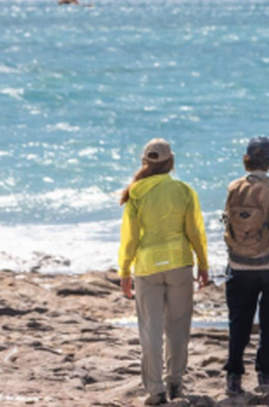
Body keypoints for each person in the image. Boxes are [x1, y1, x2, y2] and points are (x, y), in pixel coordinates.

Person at [118, 138, 210, 405]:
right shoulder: (183, 190)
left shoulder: (135, 193)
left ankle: (156, 391)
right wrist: (203, 264)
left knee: (150, 330)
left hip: (147, 268)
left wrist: (124, 270)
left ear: (145, 163)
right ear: (171, 161)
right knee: (178, 328)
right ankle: (176, 384)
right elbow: (195, 231)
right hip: (180, 265)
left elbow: (130, 238)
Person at [223, 136, 269, 395]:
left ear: (246, 160)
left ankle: (233, 376)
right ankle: (264, 374)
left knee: (238, 322)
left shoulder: (234, 186)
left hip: (240, 263)